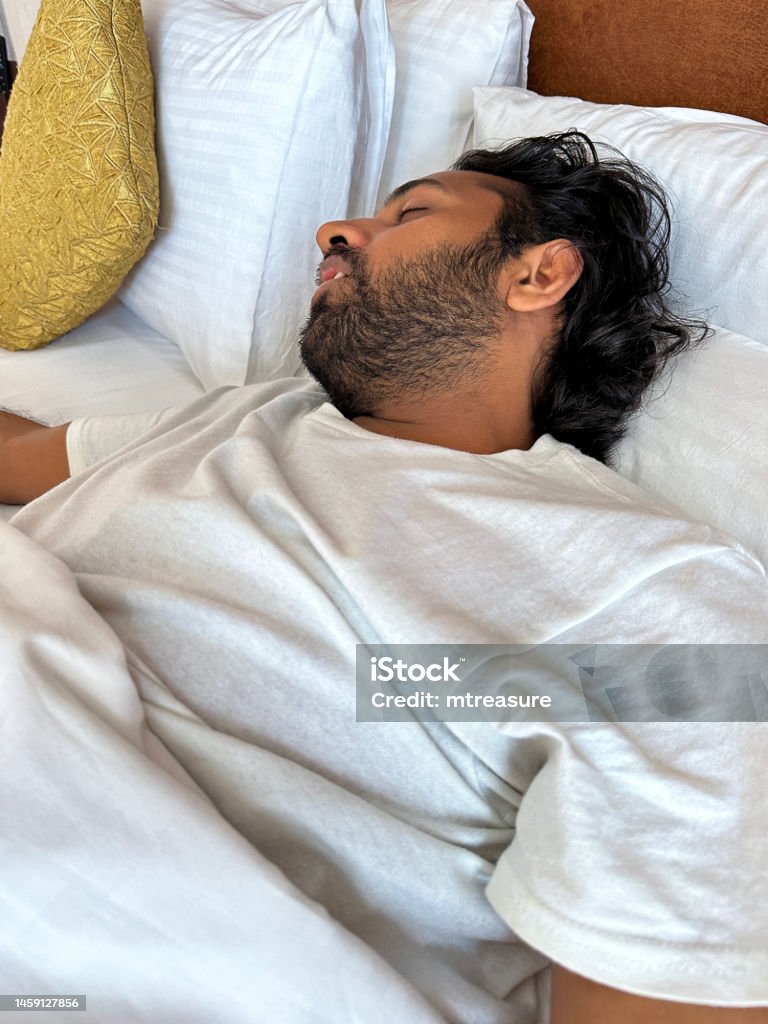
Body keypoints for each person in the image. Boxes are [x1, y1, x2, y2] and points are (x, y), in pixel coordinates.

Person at [2, 132, 767, 1024]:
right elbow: (21, 455)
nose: (333, 230)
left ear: (537, 274)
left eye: (412, 211)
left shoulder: (664, 596)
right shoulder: (257, 415)